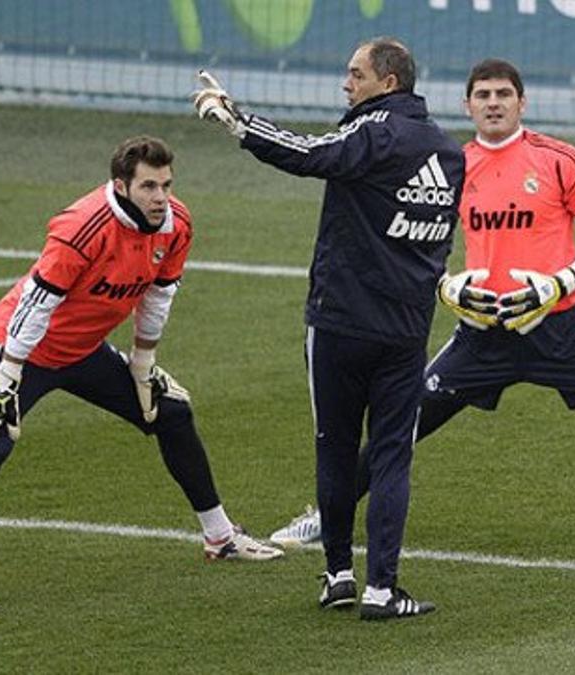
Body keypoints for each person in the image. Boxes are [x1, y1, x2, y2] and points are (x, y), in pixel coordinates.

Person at [269, 58, 575, 552]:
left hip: (561, 334)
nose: (494, 104)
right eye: (483, 96)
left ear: (522, 103)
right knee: (398, 431)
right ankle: (325, 517)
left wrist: (558, 284)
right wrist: (446, 286)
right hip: (481, 339)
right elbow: (411, 242)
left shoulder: (561, 160)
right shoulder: (448, 163)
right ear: (467, 105)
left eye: (504, 95)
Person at [0, 136, 282, 616]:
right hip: (18, 345)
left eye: (166, 185)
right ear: (121, 185)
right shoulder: (83, 227)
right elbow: (36, 306)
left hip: (82, 351)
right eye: (149, 187)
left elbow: (158, 297)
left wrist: (142, 368)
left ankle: (221, 538)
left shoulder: (175, 224)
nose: (161, 197)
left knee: (172, 413)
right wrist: (5, 379)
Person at [192, 37, 463, 620]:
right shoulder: (449, 152)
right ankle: (381, 590)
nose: (347, 84)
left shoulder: (371, 133)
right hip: (406, 331)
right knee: (391, 456)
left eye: (355, 74)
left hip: (340, 323)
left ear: (388, 82)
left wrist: (239, 122)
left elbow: (309, 152)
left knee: (336, 449)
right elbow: (439, 239)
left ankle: (339, 572)